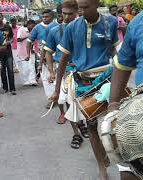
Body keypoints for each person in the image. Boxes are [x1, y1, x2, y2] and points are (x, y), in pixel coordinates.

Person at [49, 0, 120, 179]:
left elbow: (114, 51)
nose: (81, 11)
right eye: (79, 7)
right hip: (82, 82)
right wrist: (57, 90)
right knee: (91, 125)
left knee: (114, 122)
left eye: (85, 7)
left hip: (107, 78)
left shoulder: (110, 22)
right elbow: (64, 59)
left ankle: (117, 158)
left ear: (97, 4)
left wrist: (122, 74)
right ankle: (101, 166)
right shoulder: (72, 27)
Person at [108, 11, 143, 180]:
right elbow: (122, 64)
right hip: (140, 111)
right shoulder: (138, 22)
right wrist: (113, 106)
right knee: (127, 169)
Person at [44, 0, 78, 125]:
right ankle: (63, 114)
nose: (67, 16)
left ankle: (78, 124)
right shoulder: (54, 31)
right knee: (62, 98)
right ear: (60, 14)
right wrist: (51, 71)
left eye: (70, 13)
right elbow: (48, 51)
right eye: (64, 14)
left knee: (75, 100)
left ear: (76, 12)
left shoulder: (82, 28)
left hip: (79, 68)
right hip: (62, 69)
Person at [26, 9, 54, 109]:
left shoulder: (56, 26)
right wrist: (28, 54)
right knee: (46, 80)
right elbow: (29, 41)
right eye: (43, 17)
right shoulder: (37, 28)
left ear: (52, 17)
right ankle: (51, 99)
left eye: (47, 17)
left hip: (56, 57)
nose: (45, 19)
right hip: (42, 57)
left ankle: (59, 96)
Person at [0, 13, 16, 95]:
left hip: (8, 52)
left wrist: (8, 42)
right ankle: (5, 88)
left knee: (10, 70)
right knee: (2, 71)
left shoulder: (7, 27)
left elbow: (12, 38)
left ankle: (12, 88)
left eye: (0, 17)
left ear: (2, 18)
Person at [16, 20, 37, 86]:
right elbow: (18, 39)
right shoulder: (21, 30)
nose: (33, 27)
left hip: (31, 51)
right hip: (22, 51)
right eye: (32, 26)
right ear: (28, 24)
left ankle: (33, 80)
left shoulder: (33, 31)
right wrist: (28, 37)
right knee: (25, 67)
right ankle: (26, 80)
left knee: (32, 66)